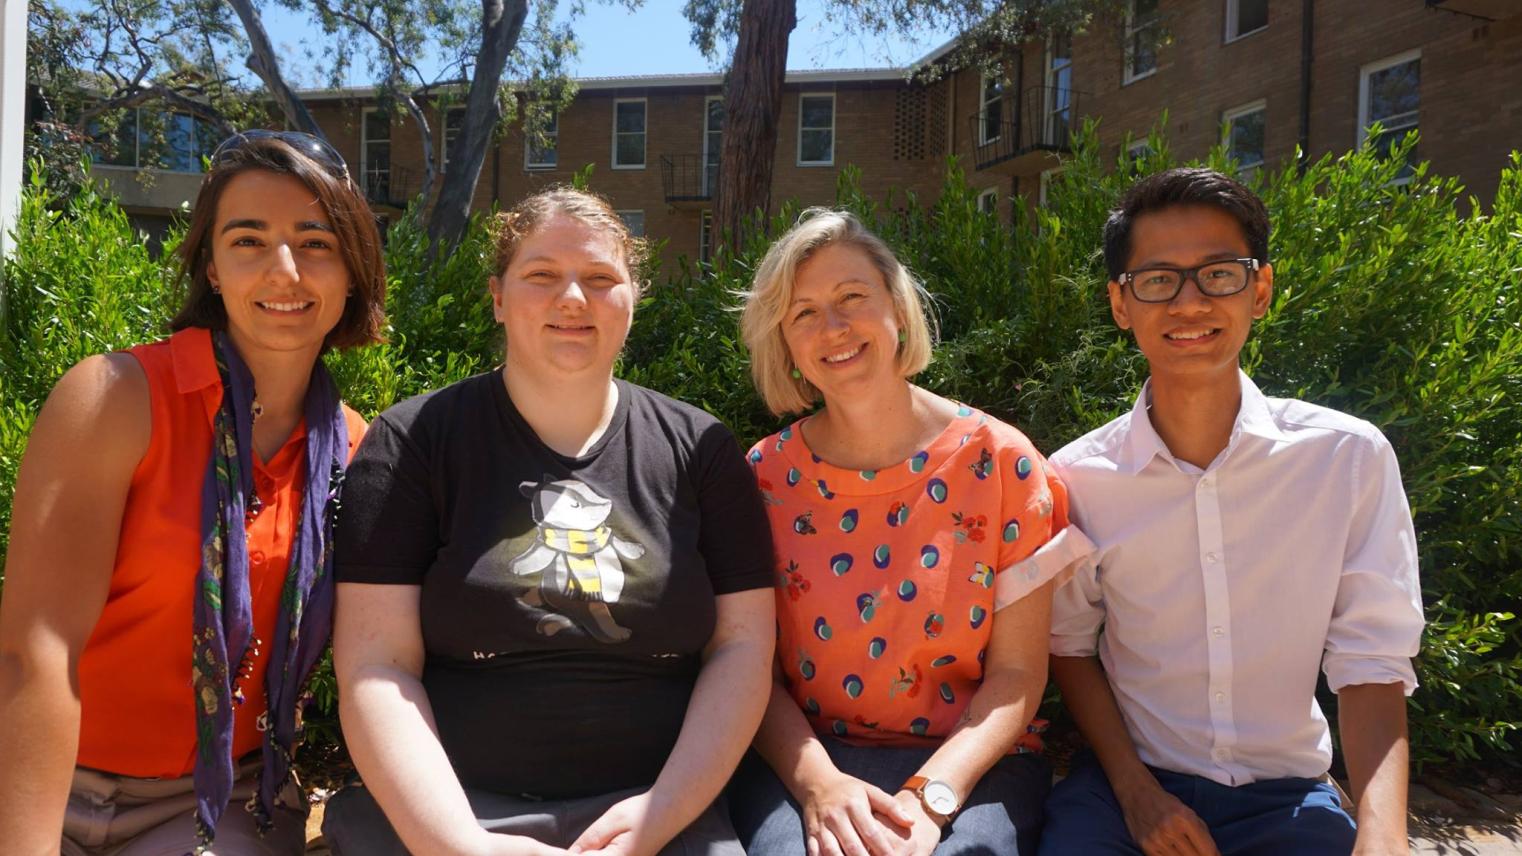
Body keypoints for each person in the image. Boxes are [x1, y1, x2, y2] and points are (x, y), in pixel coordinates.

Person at [323, 186, 776, 856]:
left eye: (600, 279)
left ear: (632, 299)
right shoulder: (413, 441)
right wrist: (459, 846)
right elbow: (375, 666)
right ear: (499, 297)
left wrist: (660, 814)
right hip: (450, 814)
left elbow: (742, 650)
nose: (573, 298)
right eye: (541, 276)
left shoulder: (701, 450)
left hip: (660, 814)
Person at [0, 131, 385, 855]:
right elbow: (35, 649)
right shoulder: (116, 400)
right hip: (33, 780)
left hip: (215, 802)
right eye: (248, 241)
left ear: (353, 270)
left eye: (315, 242)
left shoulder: (357, 451)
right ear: (211, 267)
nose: (284, 270)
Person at [1039, 167, 1424, 856]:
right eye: (1158, 279)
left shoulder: (1346, 458)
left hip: (1289, 797)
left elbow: (1372, 665)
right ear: (1121, 304)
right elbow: (1067, 646)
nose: (1189, 304)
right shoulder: (1076, 477)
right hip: (1127, 787)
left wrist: (1383, 832)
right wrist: (1135, 792)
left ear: (1261, 290)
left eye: (1219, 273)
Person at [730, 209, 1093, 856]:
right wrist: (820, 787)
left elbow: (1016, 676)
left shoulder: (1002, 462)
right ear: (783, 341)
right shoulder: (760, 480)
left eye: (851, 298)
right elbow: (750, 672)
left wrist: (931, 797)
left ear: (897, 309)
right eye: (803, 312)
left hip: (973, 764)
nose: (832, 327)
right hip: (808, 763)